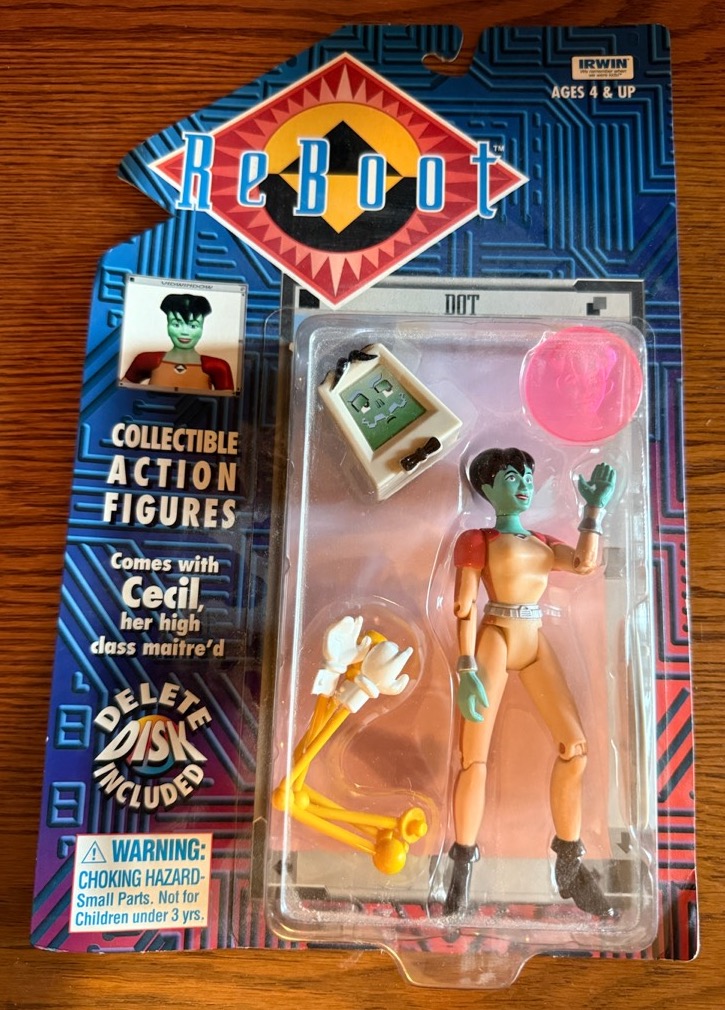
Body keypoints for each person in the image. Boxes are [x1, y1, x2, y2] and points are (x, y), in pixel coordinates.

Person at [445, 446, 616, 918]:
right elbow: (464, 606)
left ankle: (570, 864)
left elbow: (583, 564)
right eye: (510, 478)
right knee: (473, 758)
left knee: (575, 748)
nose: (523, 485)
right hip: (496, 636)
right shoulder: (478, 539)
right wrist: (466, 668)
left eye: (526, 476)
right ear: (486, 488)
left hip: (534, 636)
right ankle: (461, 870)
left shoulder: (541, 540)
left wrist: (593, 511)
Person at [123, 293, 234, 392]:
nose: (184, 332)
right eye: (176, 324)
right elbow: (120, 394)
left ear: (202, 328)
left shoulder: (218, 367)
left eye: (193, 326)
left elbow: (228, 404)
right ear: (168, 325)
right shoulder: (146, 360)